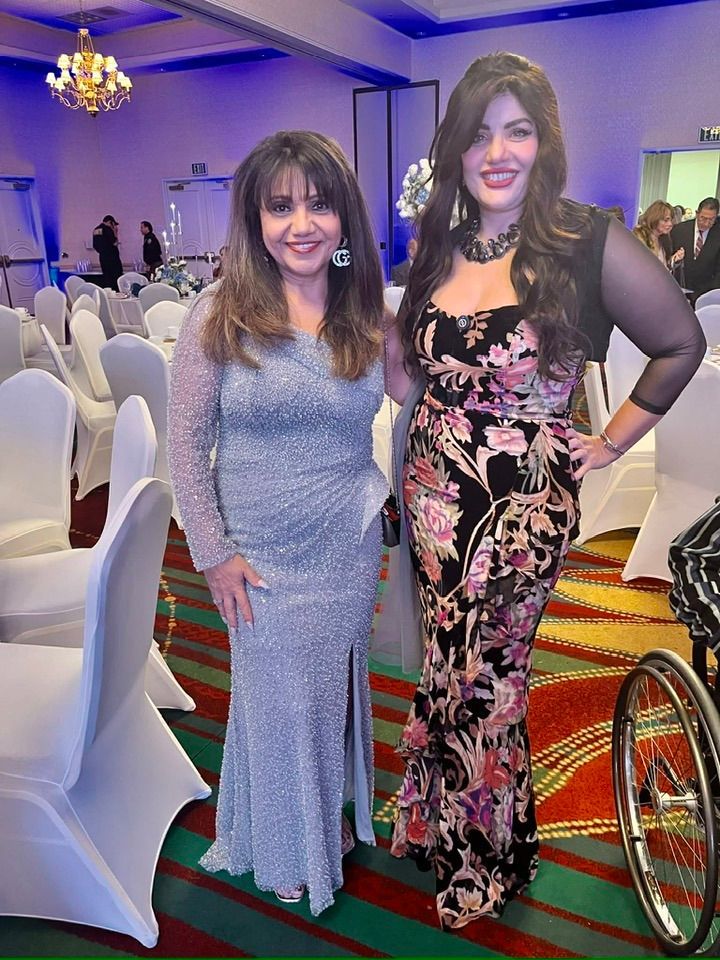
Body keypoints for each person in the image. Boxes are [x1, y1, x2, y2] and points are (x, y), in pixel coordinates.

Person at [382, 51, 705, 930]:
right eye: (480, 133)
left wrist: (609, 439)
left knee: (487, 675)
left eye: (516, 131)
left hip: (521, 507)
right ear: (456, 148)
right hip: (435, 493)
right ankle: (439, 817)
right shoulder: (441, 242)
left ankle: (481, 863)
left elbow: (681, 343)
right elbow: (410, 368)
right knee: (448, 668)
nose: (498, 152)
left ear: (543, 142)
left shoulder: (584, 239)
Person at [167, 130, 386, 915]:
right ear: (254, 219)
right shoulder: (218, 314)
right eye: (282, 205)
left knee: (324, 689)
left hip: (346, 541)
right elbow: (186, 446)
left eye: (321, 204)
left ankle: (320, 812)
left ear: (344, 219)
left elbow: (432, 391)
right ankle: (286, 843)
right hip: (256, 552)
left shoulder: (364, 309)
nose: (303, 223)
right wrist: (213, 553)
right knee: (277, 693)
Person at [671, 197, 720, 302]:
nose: (706, 223)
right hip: (678, 292)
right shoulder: (679, 230)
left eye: (711, 219)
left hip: (705, 295)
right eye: (703, 218)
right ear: (697, 213)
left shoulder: (718, 234)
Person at [632, 200, 685, 271]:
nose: (670, 224)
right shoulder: (638, 237)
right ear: (655, 218)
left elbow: (663, 267)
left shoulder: (664, 239)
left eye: (671, 220)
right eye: (666, 220)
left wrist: (674, 259)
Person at [92, 214, 122, 290]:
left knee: (107, 277)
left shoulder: (96, 230)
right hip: (112, 258)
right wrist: (115, 232)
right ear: (110, 222)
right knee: (115, 278)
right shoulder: (107, 229)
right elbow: (114, 242)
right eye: (113, 224)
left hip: (102, 257)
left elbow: (95, 245)